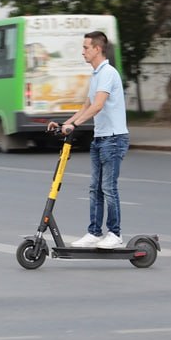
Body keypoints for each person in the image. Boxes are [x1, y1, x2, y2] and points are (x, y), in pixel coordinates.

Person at [47, 31, 129, 249]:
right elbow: (86, 107)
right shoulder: (96, 75)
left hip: (114, 139)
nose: (82, 52)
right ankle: (94, 232)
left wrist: (74, 125)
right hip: (101, 138)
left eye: (85, 48)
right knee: (95, 188)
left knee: (108, 188)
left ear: (97, 49)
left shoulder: (108, 73)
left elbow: (98, 105)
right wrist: (64, 124)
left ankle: (115, 233)